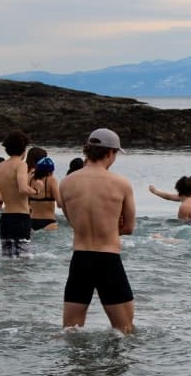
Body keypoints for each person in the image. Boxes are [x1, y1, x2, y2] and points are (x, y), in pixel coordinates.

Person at [58, 128, 136, 333]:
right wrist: (110, 228)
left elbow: (72, 222)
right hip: (108, 260)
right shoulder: (121, 184)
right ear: (110, 152)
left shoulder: (66, 183)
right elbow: (128, 227)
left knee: (70, 330)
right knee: (124, 329)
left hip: (80, 260)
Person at [30, 157, 61, 231]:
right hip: (48, 222)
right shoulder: (51, 180)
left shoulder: (30, 179)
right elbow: (59, 204)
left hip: (31, 221)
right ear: (50, 171)